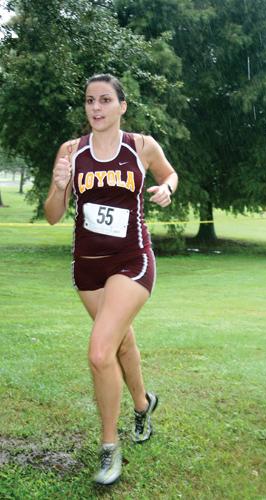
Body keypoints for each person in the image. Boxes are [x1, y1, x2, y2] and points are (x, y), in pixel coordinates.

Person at [44, 74, 178, 485]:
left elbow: (170, 175)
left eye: (105, 100)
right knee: (122, 340)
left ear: (122, 105)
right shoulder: (71, 151)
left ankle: (108, 448)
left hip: (132, 260)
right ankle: (143, 404)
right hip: (87, 267)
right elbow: (53, 214)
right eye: (89, 101)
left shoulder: (141, 146)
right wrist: (59, 184)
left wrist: (166, 189)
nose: (96, 108)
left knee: (101, 352)